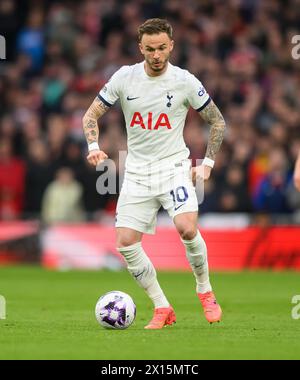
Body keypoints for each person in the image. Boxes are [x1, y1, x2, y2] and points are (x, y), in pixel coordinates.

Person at [82, 19, 226, 329]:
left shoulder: (185, 81)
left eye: (162, 48)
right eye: (150, 49)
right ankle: (163, 307)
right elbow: (91, 114)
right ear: (140, 48)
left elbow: (217, 121)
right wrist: (93, 145)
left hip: (174, 167)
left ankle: (205, 290)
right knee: (125, 241)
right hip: (137, 171)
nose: (156, 54)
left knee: (187, 227)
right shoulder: (125, 77)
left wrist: (208, 163)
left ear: (171, 45)